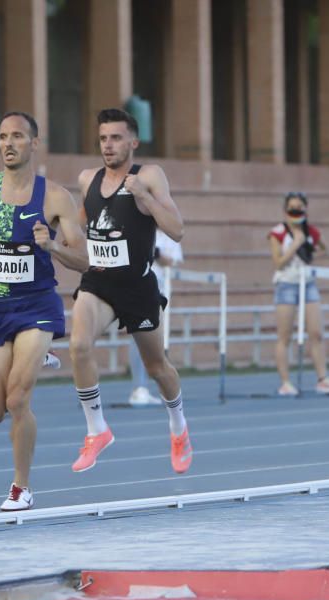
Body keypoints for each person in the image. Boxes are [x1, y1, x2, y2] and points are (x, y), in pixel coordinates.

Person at [0, 111, 87, 511]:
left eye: (17, 136)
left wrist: (53, 247)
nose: (8, 144)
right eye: (2, 137)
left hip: (36, 306)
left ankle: (21, 486)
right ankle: (36, 353)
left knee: (16, 399)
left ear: (34, 142)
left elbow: (83, 259)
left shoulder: (54, 196)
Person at [69, 108, 193, 475]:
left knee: (158, 368)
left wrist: (146, 199)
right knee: (78, 345)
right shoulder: (87, 179)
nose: (108, 145)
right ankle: (97, 430)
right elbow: (77, 230)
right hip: (99, 283)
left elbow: (177, 230)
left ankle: (178, 427)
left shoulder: (149, 176)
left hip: (138, 286)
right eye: (104, 138)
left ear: (133, 142)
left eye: (116, 138)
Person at [268, 192, 329, 397]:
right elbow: (278, 262)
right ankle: (285, 382)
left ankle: (322, 378)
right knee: (285, 335)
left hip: (308, 283)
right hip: (286, 285)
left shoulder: (311, 232)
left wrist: (310, 252)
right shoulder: (277, 233)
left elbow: (326, 249)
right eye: (292, 209)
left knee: (316, 332)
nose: (296, 212)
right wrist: (295, 244)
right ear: (285, 211)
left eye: (299, 208)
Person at [127, 229, 182, 406]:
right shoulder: (138, 225)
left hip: (160, 291)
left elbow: (172, 262)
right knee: (138, 336)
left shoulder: (170, 235)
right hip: (138, 287)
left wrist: (155, 252)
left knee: (157, 341)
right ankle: (139, 387)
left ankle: (160, 388)